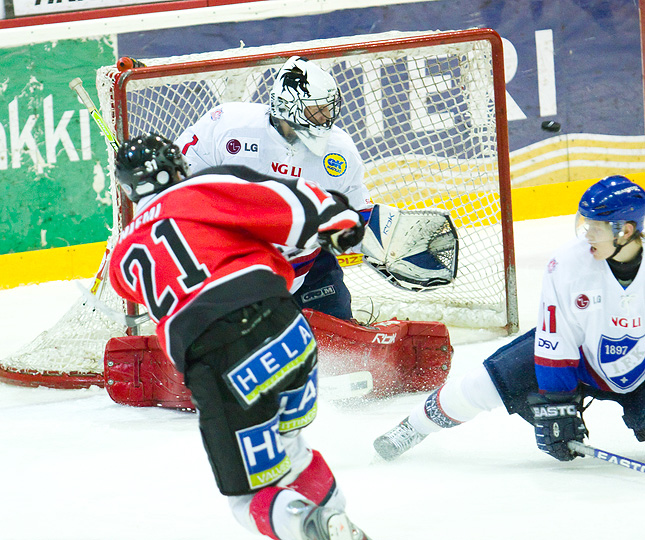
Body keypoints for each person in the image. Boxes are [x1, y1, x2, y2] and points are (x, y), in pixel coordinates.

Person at [108, 132, 371, 540]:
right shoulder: (201, 187)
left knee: (248, 499)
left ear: (128, 190)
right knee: (293, 451)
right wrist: (339, 220)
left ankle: (310, 526)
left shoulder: (122, 254)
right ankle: (337, 520)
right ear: (178, 165)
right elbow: (281, 198)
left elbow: (134, 284)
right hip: (286, 329)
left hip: (217, 358)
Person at [373, 175, 645, 463]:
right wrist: (557, 403)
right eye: (585, 224)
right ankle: (414, 426)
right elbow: (556, 338)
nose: (587, 234)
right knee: (482, 384)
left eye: (597, 228)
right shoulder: (568, 263)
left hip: (640, 366)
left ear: (625, 230)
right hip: (577, 357)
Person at [175, 56, 372, 320]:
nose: (327, 118)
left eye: (328, 109)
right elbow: (179, 177)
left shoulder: (340, 152)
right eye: (317, 110)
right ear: (287, 107)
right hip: (232, 265)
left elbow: (358, 216)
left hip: (308, 265)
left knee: (340, 337)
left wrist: (384, 250)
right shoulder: (227, 124)